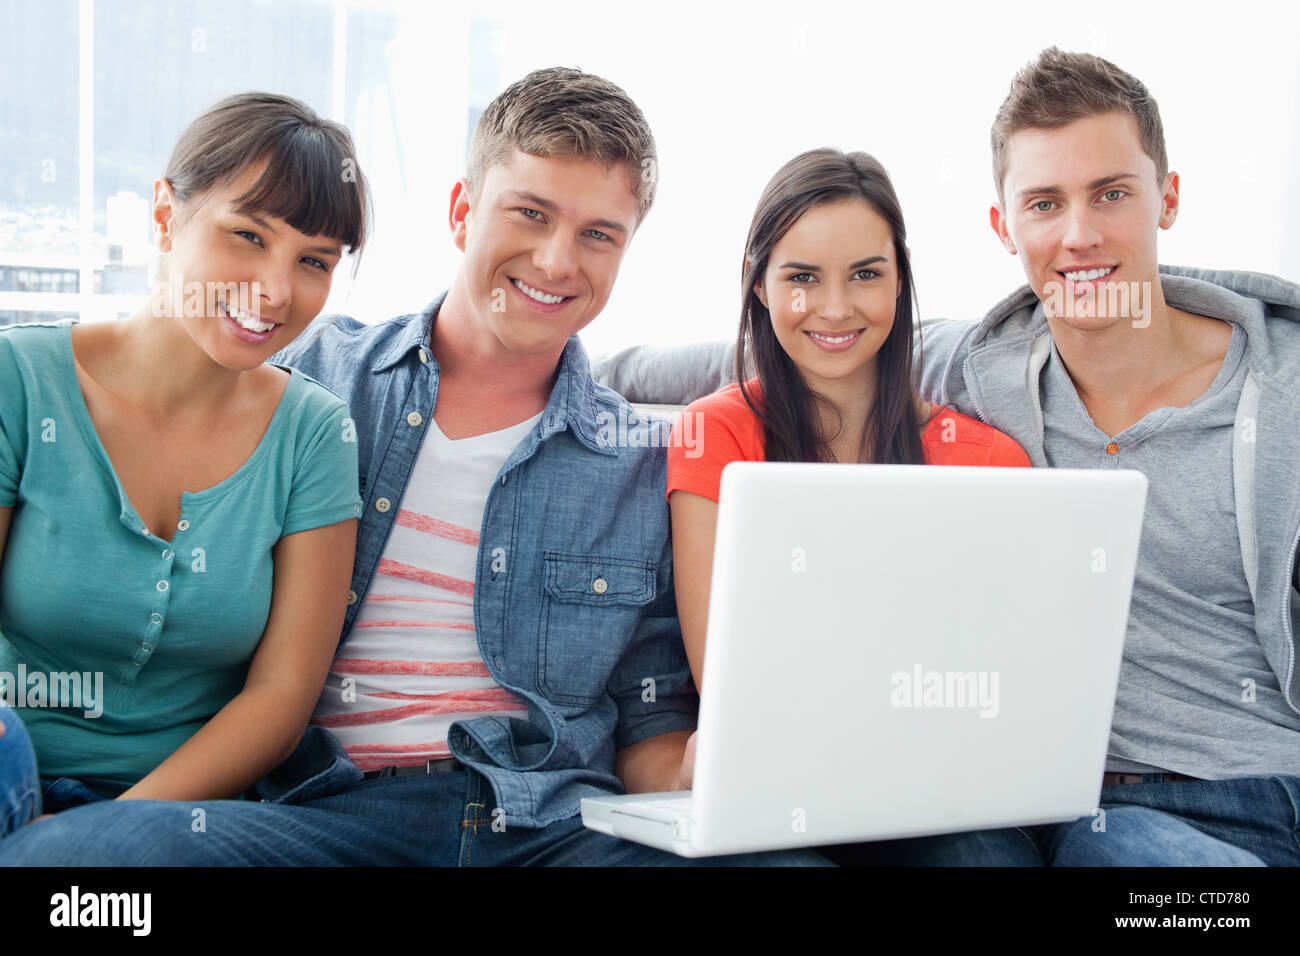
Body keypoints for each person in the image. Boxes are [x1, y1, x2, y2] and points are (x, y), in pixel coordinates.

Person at [0, 67, 829, 866]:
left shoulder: (643, 462)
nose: (554, 262)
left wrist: (707, 773)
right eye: (530, 214)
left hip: (555, 823)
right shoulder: (308, 377)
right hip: (334, 814)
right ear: (463, 210)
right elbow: (167, 363)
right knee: (82, 861)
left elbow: (652, 717)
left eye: (597, 235)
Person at [908, 47, 1300, 866]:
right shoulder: (982, 371)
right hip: (1068, 804)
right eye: (1044, 203)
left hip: (1259, 789)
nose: (1079, 236)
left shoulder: (1281, 388)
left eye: (1111, 194)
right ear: (1002, 224)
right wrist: (577, 358)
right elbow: (808, 341)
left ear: (1169, 198)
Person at [0, 92, 368, 838]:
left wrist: (104, 833)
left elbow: (281, 696)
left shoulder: (315, 436)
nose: (275, 290)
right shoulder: (19, 379)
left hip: (182, 824)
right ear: (166, 215)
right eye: (247, 235)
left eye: (314, 261)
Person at [666, 148, 1031, 697]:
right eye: (803, 277)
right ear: (759, 284)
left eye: (865, 274)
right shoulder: (711, 437)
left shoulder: (991, 462)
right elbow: (728, 687)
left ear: (900, 277)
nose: (835, 309)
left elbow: (1001, 674)